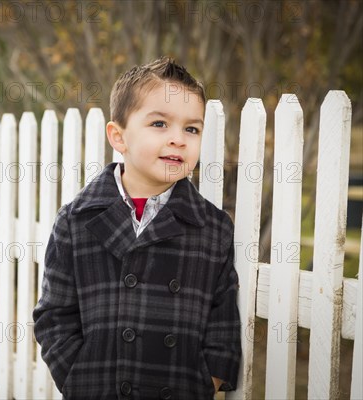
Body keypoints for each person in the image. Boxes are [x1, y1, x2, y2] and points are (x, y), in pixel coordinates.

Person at [33, 56, 241, 399]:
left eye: (192, 129)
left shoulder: (212, 228)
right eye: (160, 124)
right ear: (119, 137)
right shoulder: (76, 220)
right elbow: (55, 316)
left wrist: (207, 384)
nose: (178, 139)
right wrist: (80, 377)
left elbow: (223, 325)